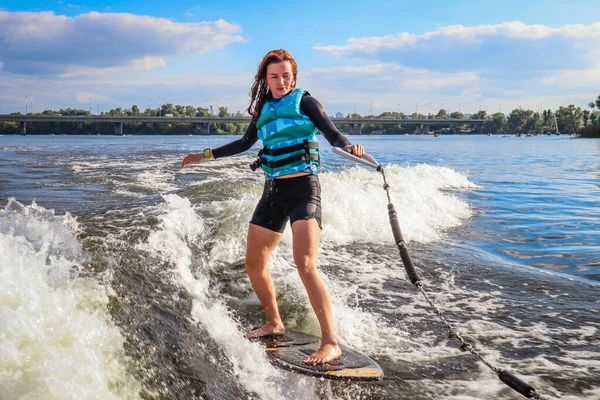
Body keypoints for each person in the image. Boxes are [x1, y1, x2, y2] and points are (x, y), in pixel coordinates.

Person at [182, 49, 366, 365]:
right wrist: (205, 155)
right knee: (253, 263)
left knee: (305, 263)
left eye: (286, 76)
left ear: (293, 77)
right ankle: (274, 323)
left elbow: (333, 134)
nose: (281, 81)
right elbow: (243, 144)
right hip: (273, 192)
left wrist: (350, 146)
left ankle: (330, 342)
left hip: (304, 190)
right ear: (265, 79)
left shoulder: (305, 101)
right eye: (274, 76)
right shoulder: (264, 108)